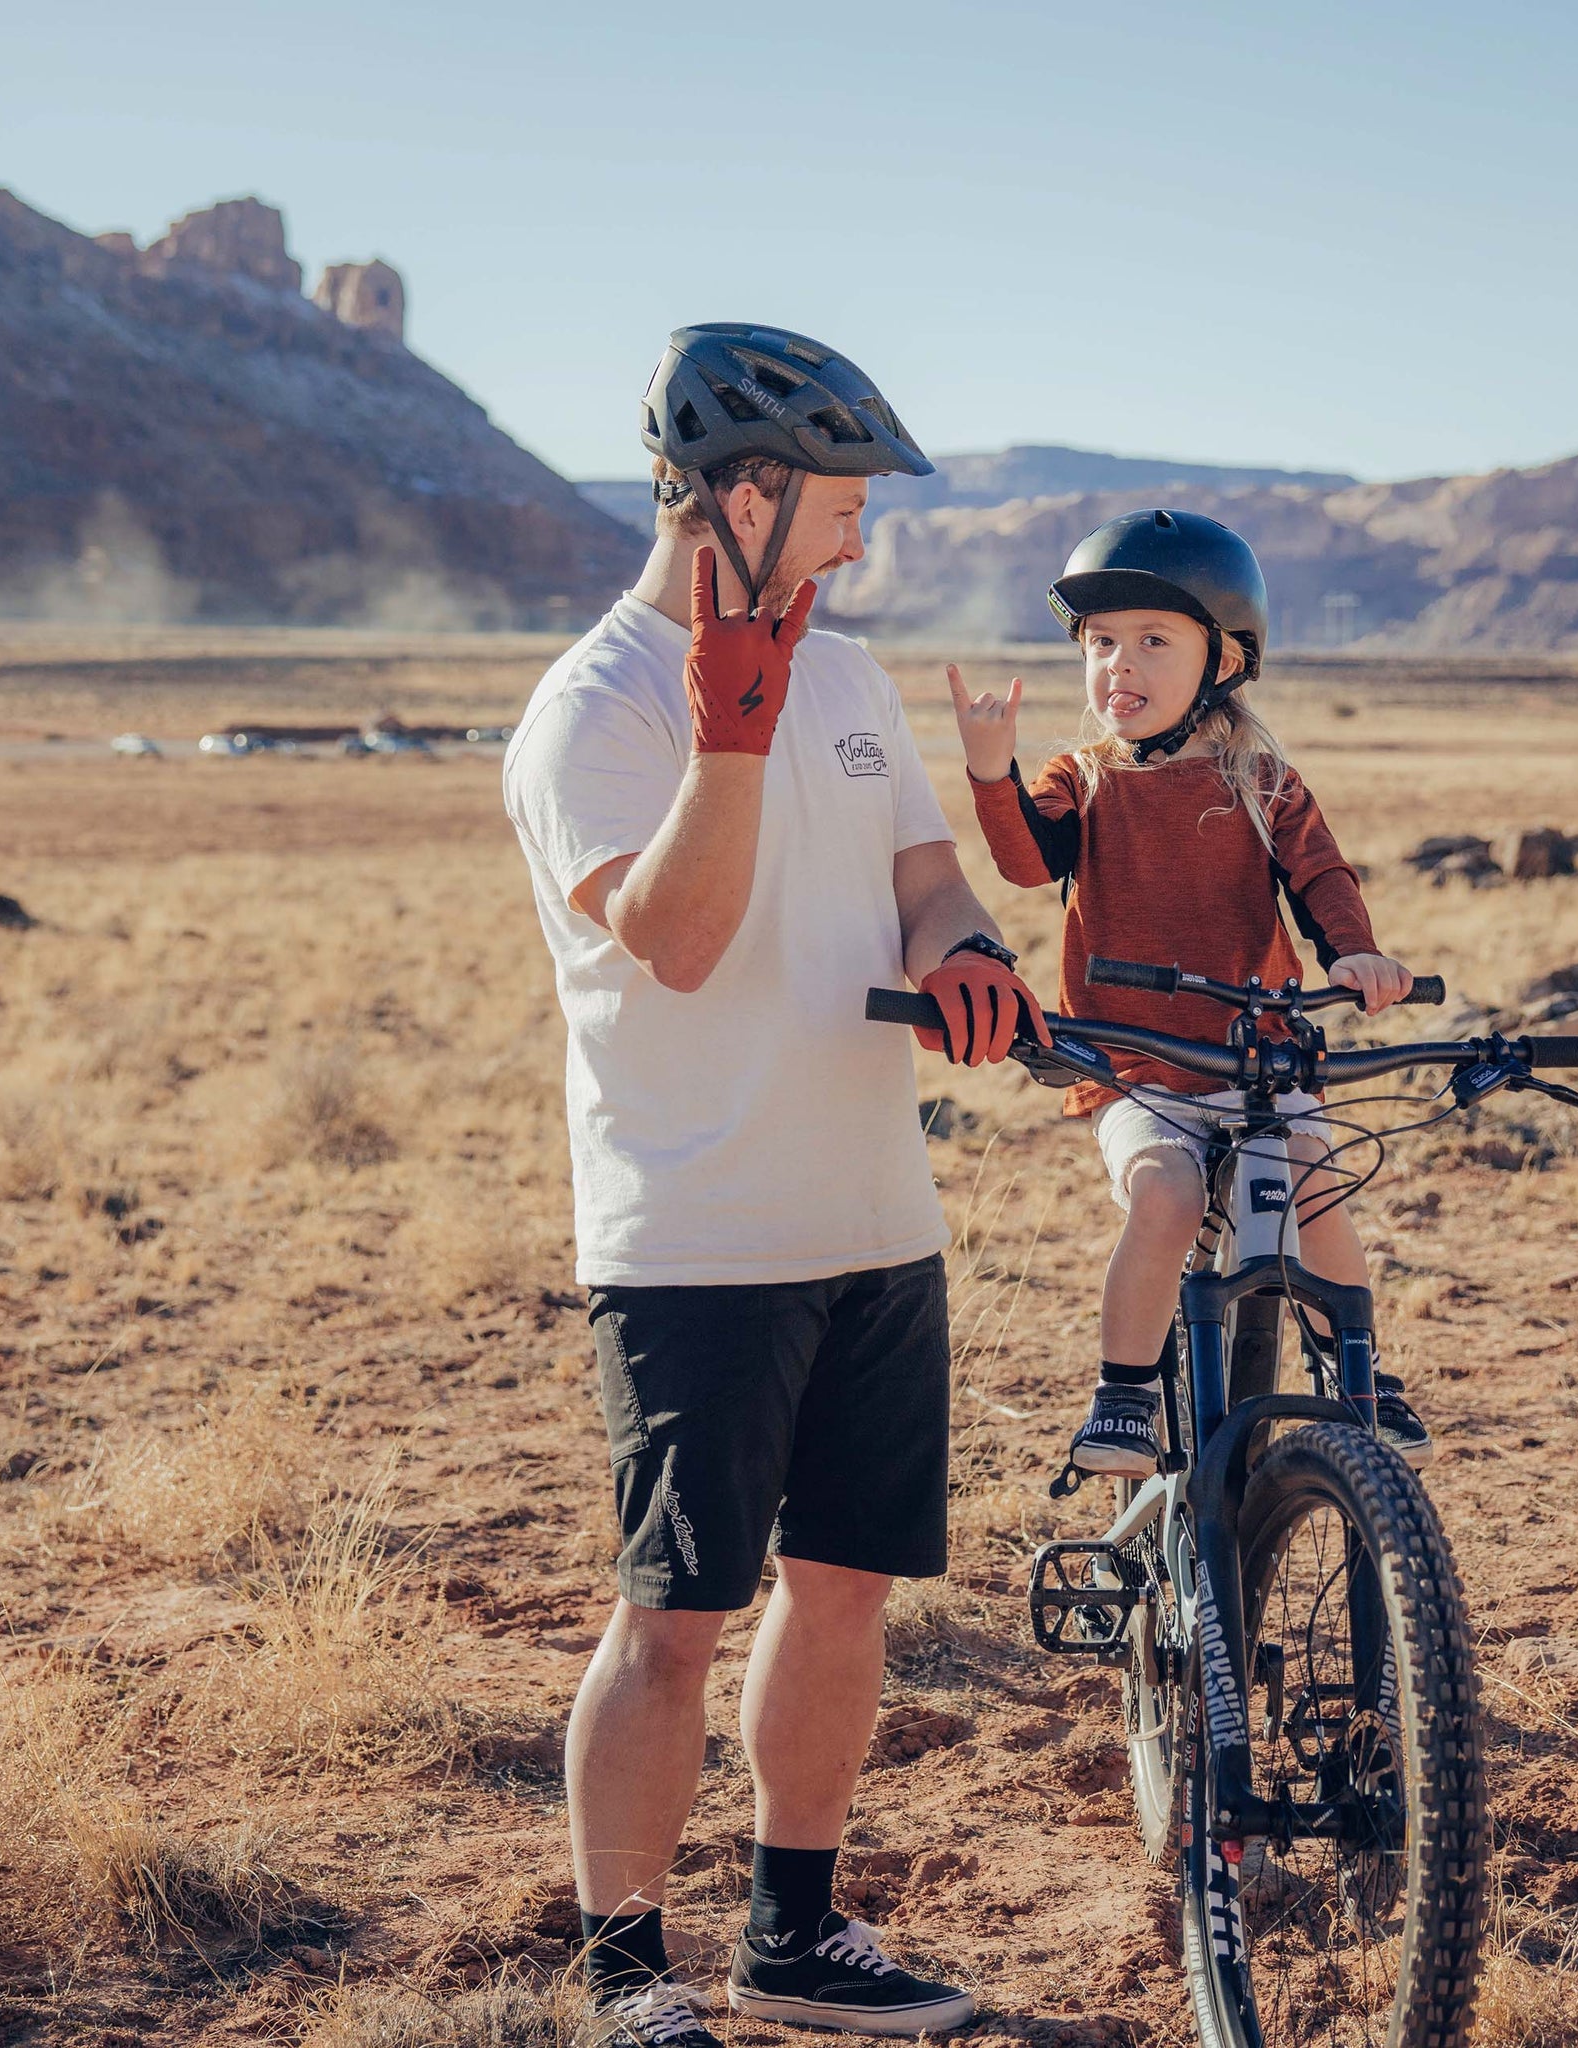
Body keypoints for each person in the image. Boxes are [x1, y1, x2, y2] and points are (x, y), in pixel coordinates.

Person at [503, 324, 1045, 2046]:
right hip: (698, 1235)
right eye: (838, 506)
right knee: (674, 1617)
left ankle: (791, 1938)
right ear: (744, 498)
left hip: (877, 1216)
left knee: (843, 1590)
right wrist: (721, 738)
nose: (859, 542)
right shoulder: (591, 708)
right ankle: (624, 1969)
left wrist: (966, 953)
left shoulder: (851, 680)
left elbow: (926, 880)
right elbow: (674, 940)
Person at [946, 508, 1433, 1484]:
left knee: (1311, 1174)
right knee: (1164, 1194)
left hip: (1256, 1062)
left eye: (1151, 641)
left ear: (1224, 658)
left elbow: (1321, 878)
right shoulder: (1081, 779)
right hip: (1139, 1069)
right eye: (1100, 643)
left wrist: (1357, 956)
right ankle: (1123, 1393)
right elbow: (1025, 859)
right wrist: (991, 773)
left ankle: (1357, 1370)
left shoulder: (1261, 779)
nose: (1117, 664)